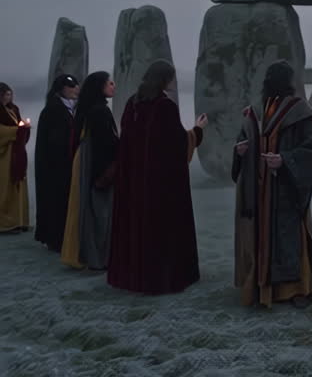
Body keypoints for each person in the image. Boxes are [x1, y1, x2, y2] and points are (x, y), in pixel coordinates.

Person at [107, 60, 207, 295]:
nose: (174, 82)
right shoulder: (165, 106)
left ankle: (134, 275)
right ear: (164, 79)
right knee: (160, 229)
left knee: (137, 225)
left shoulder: (133, 103)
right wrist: (198, 130)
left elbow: (129, 144)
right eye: (171, 77)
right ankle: (159, 277)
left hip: (134, 182)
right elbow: (177, 145)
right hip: (159, 185)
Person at [232, 60, 312, 309]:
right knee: (263, 235)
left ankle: (293, 289)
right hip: (260, 191)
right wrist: (240, 151)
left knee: (288, 235)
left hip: (284, 190)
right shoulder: (256, 111)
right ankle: (264, 287)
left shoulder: (298, 111)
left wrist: (285, 160)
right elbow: (243, 139)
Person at [61, 72, 119, 271]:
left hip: (87, 161)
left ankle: (94, 254)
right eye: (109, 83)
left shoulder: (90, 108)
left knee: (91, 208)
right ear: (99, 87)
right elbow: (106, 143)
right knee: (99, 211)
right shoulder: (99, 111)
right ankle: (98, 257)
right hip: (95, 163)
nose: (113, 85)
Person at [34, 74, 80, 252]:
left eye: (76, 85)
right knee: (55, 202)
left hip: (65, 165)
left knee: (63, 202)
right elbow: (53, 141)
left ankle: (61, 237)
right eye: (71, 86)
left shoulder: (69, 109)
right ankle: (55, 238)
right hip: (55, 167)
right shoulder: (53, 110)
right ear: (61, 89)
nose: (75, 89)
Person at [0, 84, 31, 235]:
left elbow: (19, 127)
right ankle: (6, 222)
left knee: (18, 183)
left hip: (17, 152)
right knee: (6, 185)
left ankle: (20, 220)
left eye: (10, 94)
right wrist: (16, 131)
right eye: (5, 94)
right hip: (4, 155)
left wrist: (24, 128)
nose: (8, 97)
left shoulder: (14, 109)